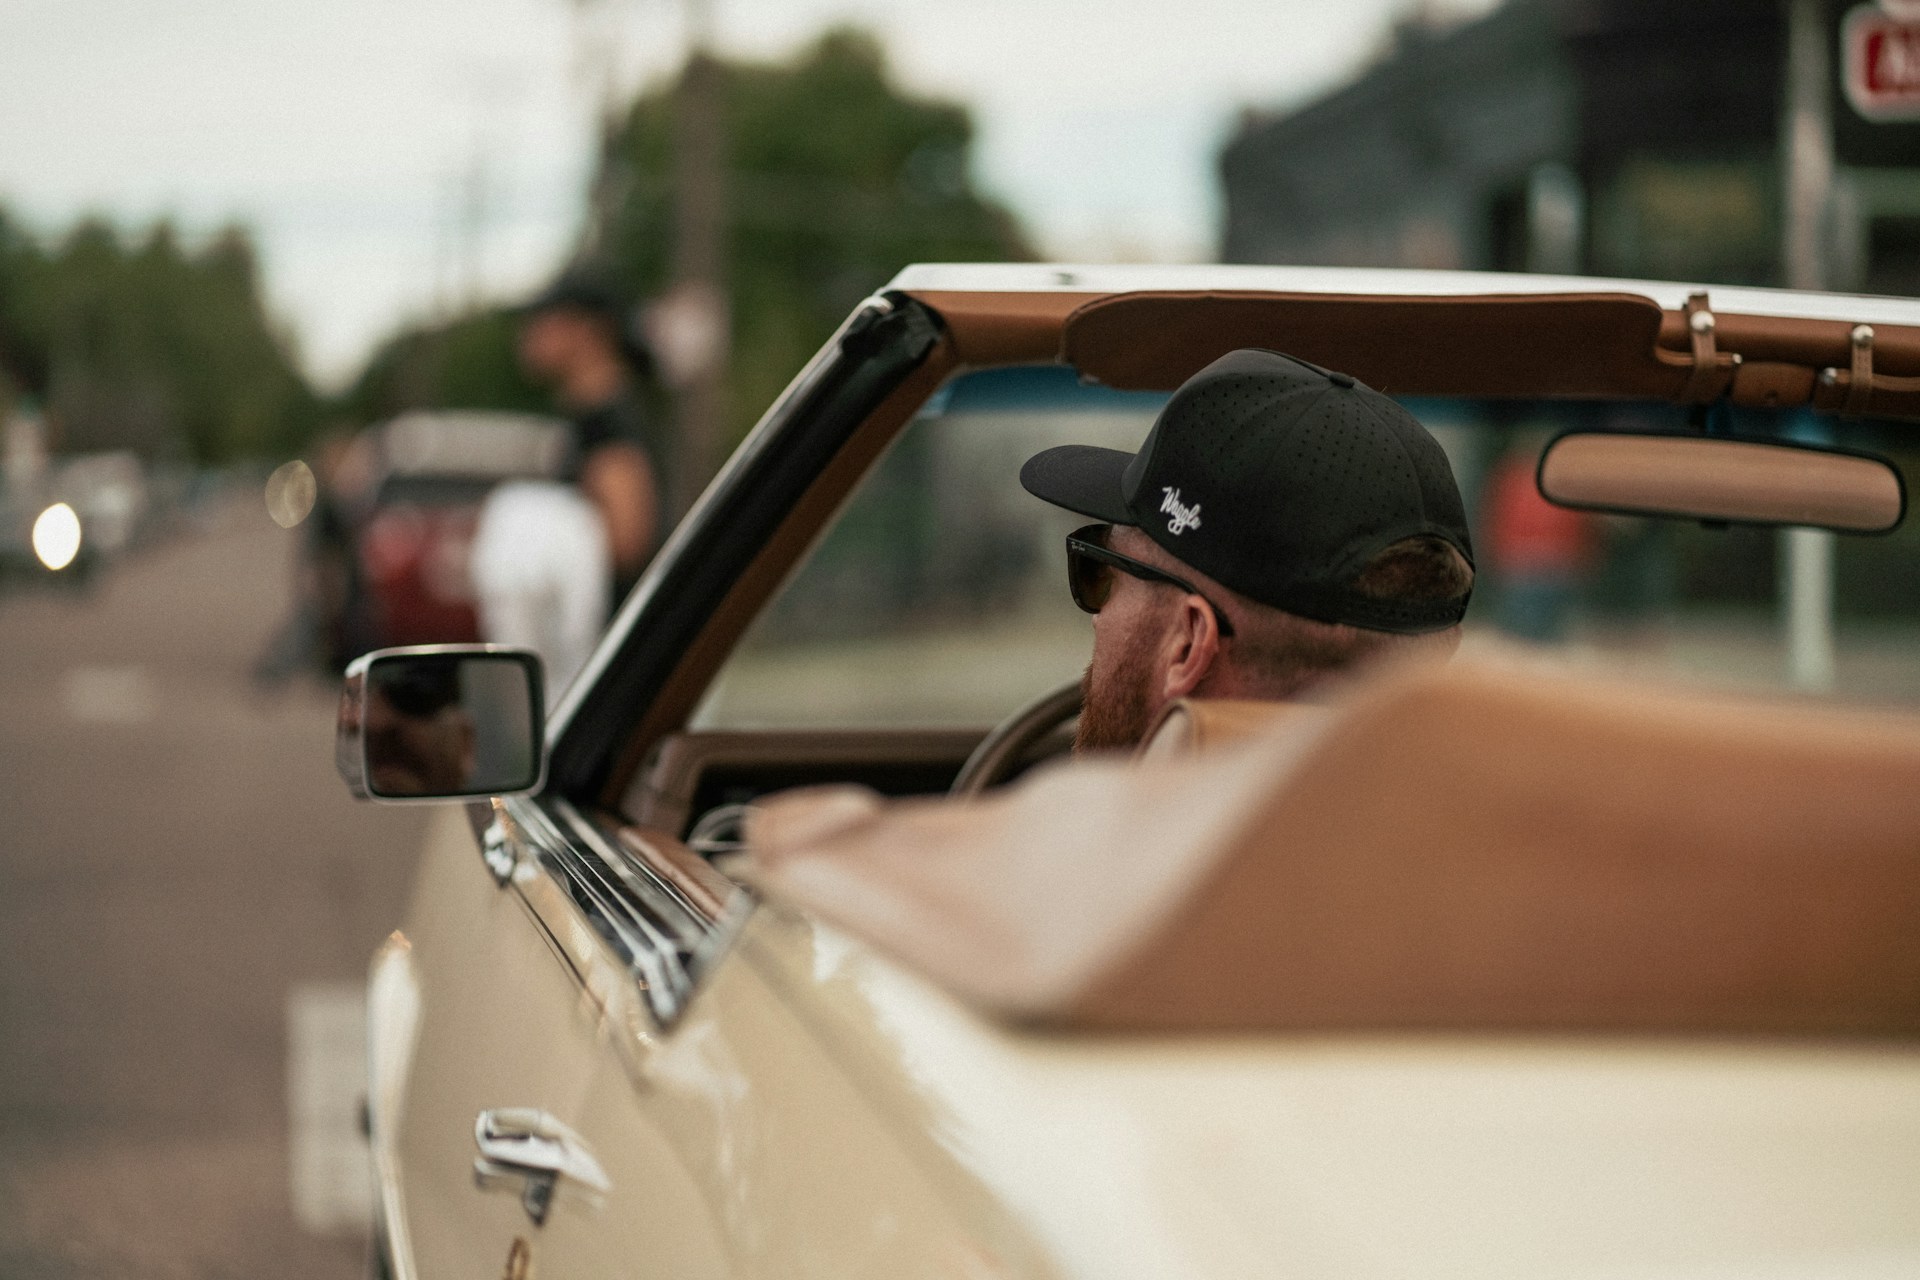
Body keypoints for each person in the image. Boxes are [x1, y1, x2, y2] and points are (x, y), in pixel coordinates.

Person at [1019, 348, 1476, 753]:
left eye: (1100, 576)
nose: (1097, 619)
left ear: (1188, 643)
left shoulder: (1049, 822)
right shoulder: (1485, 819)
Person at [515, 271, 669, 601]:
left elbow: (628, 543)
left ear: (589, 329)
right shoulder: (593, 419)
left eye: (546, 319)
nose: (528, 333)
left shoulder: (607, 425)